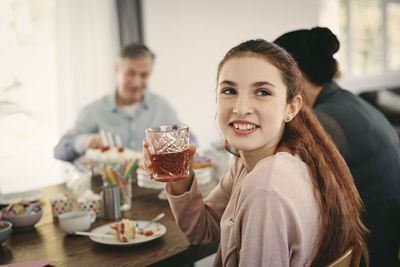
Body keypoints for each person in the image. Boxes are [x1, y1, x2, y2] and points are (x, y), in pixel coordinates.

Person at [143, 39, 368, 266]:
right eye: (229, 90)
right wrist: (181, 179)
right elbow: (203, 230)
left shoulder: (266, 187)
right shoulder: (257, 160)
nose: (240, 108)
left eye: (262, 92)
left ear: (291, 108)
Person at [274, 27, 400, 267]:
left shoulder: (325, 120)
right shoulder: (350, 102)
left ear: (296, 77)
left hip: (369, 253)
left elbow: (283, 185)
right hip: (389, 242)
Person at [54, 43, 186, 162]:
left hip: (154, 185)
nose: (136, 82)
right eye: (130, 73)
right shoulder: (93, 111)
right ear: (117, 70)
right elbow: (59, 151)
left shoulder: (162, 107)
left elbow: (190, 142)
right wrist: (85, 141)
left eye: (144, 75)